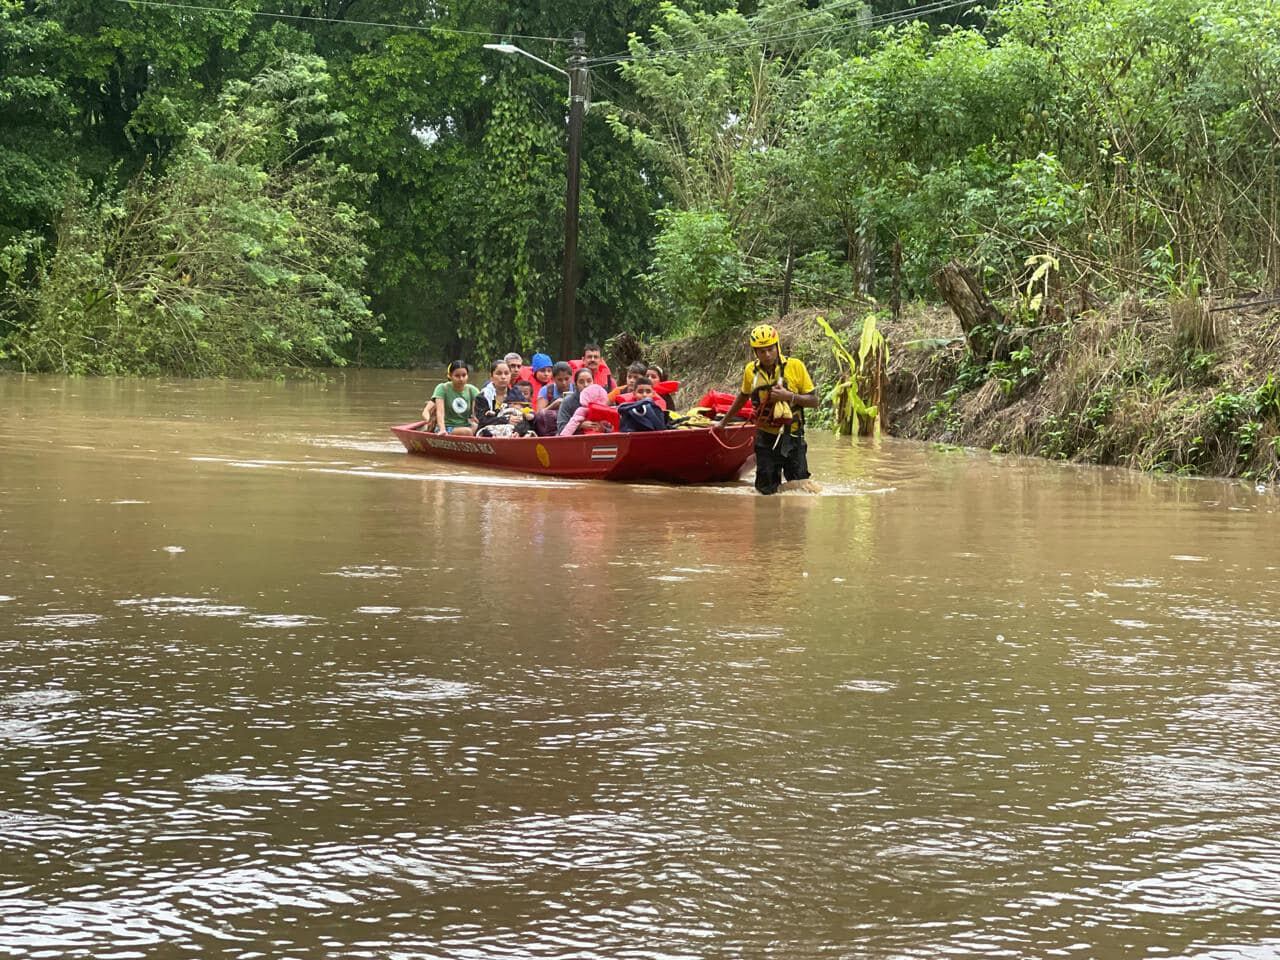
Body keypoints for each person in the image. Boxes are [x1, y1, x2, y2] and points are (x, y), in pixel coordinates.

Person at [713, 323, 817, 495]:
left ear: (777, 346)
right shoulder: (750, 371)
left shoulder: (795, 366)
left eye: (770, 349)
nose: (767, 355)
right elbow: (743, 396)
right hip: (765, 437)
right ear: (755, 352)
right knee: (765, 492)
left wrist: (789, 396)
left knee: (801, 489)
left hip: (792, 436)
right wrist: (723, 423)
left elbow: (814, 401)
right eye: (762, 351)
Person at [424, 360, 480, 435]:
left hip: (466, 426)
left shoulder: (472, 390)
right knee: (467, 432)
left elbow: (475, 414)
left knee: (478, 428)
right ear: (450, 375)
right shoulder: (442, 388)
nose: (461, 379)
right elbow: (440, 412)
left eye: (464, 375)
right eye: (457, 376)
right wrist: (442, 429)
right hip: (447, 427)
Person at [474, 359, 531, 431]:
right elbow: (483, 420)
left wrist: (519, 431)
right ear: (491, 377)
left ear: (510, 376)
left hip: (515, 432)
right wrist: (506, 420)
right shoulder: (483, 397)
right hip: (489, 432)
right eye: (499, 373)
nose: (503, 377)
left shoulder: (517, 395)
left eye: (506, 373)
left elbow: (526, 415)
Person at [556, 365, 598, 434]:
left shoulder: (600, 399)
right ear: (576, 385)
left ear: (594, 383)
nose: (586, 385)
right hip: (573, 442)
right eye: (581, 382)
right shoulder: (567, 402)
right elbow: (561, 429)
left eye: (589, 381)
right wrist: (580, 426)